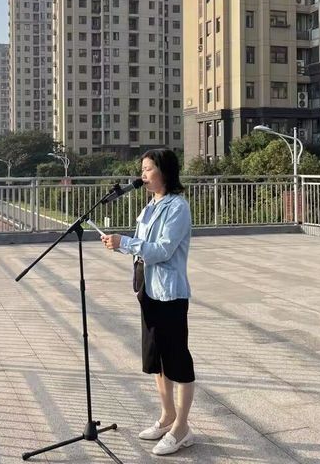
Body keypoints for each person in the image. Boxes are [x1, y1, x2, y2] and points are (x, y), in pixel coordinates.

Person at [100, 148, 195, 456]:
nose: (143, 174)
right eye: (142, 169)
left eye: (148, 168)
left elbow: (163, 250)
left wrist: (125, 242)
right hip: (147, 290)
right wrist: (119, 243)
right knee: (157, 359)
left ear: (164, 172)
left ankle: (182, 428)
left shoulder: (177, 207)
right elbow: (143, 246)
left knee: (177, 361)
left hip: (169, 293)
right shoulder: (151, 205)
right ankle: (167, 417)